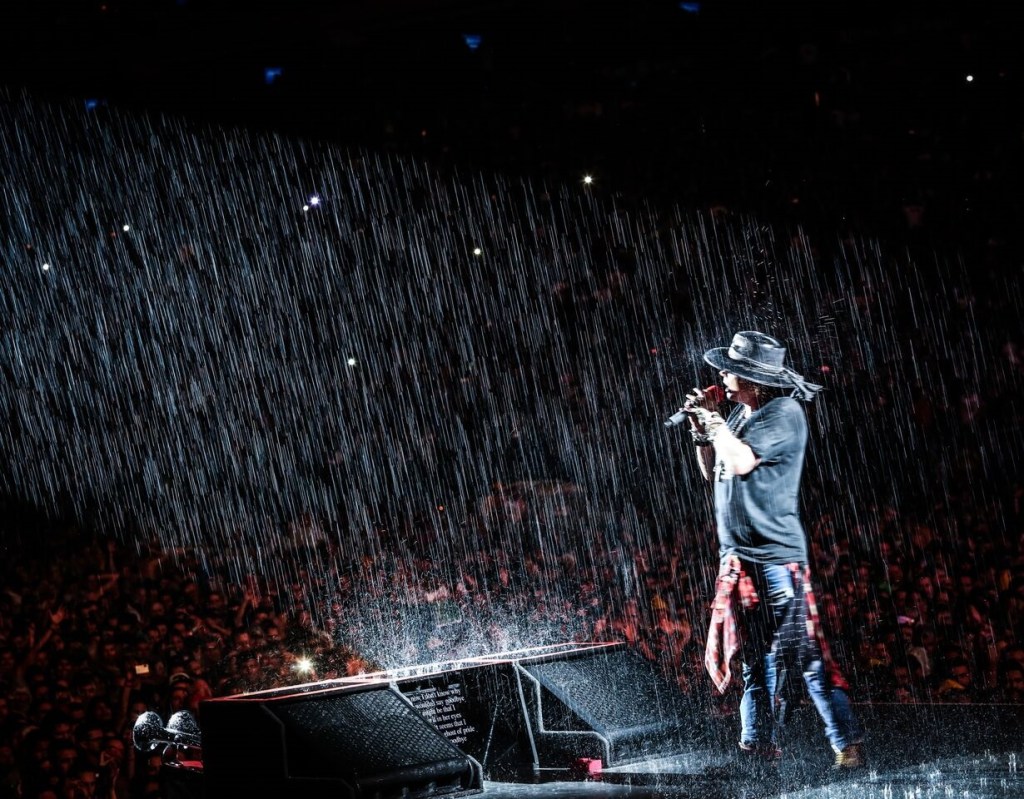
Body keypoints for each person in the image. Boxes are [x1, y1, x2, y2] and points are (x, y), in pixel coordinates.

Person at [681, 331, 864, 769]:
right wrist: (700, 433)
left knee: (803, 655)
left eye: (729, 370)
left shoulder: (784, 413)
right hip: (742, 558)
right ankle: (756, 744)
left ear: (752, 379)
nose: (721, 376)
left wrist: (713, 423)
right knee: (757, 659)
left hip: (774, 557)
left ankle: (846, 743)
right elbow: (715, 474)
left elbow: (743, 462)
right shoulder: (742, 416)